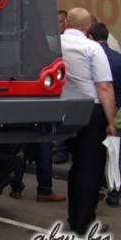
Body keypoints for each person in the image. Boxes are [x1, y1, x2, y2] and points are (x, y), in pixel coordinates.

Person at [61, 7, 117, 235]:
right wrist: (111, 121)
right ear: (87, 28)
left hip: (63, 107)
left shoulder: (55, 45)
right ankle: (83, 221)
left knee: (75, 165)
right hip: (90, 109)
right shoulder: (91, 48)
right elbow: (104, 86)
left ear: (65, 24)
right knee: (90, 167)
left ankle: (73, 214)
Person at [89, 21, 121, 206]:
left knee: (94, 153)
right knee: (115, 153)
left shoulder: (92, 56)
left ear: (92, 37)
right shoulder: (120, 59)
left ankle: (94, 189)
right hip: (117, 109)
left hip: (96, 108)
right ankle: (114, 193)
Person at [54, 9, 71, 164]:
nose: (56, 25)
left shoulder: (68, 42)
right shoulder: (52, 42)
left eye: (60, 22)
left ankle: (63, 151)